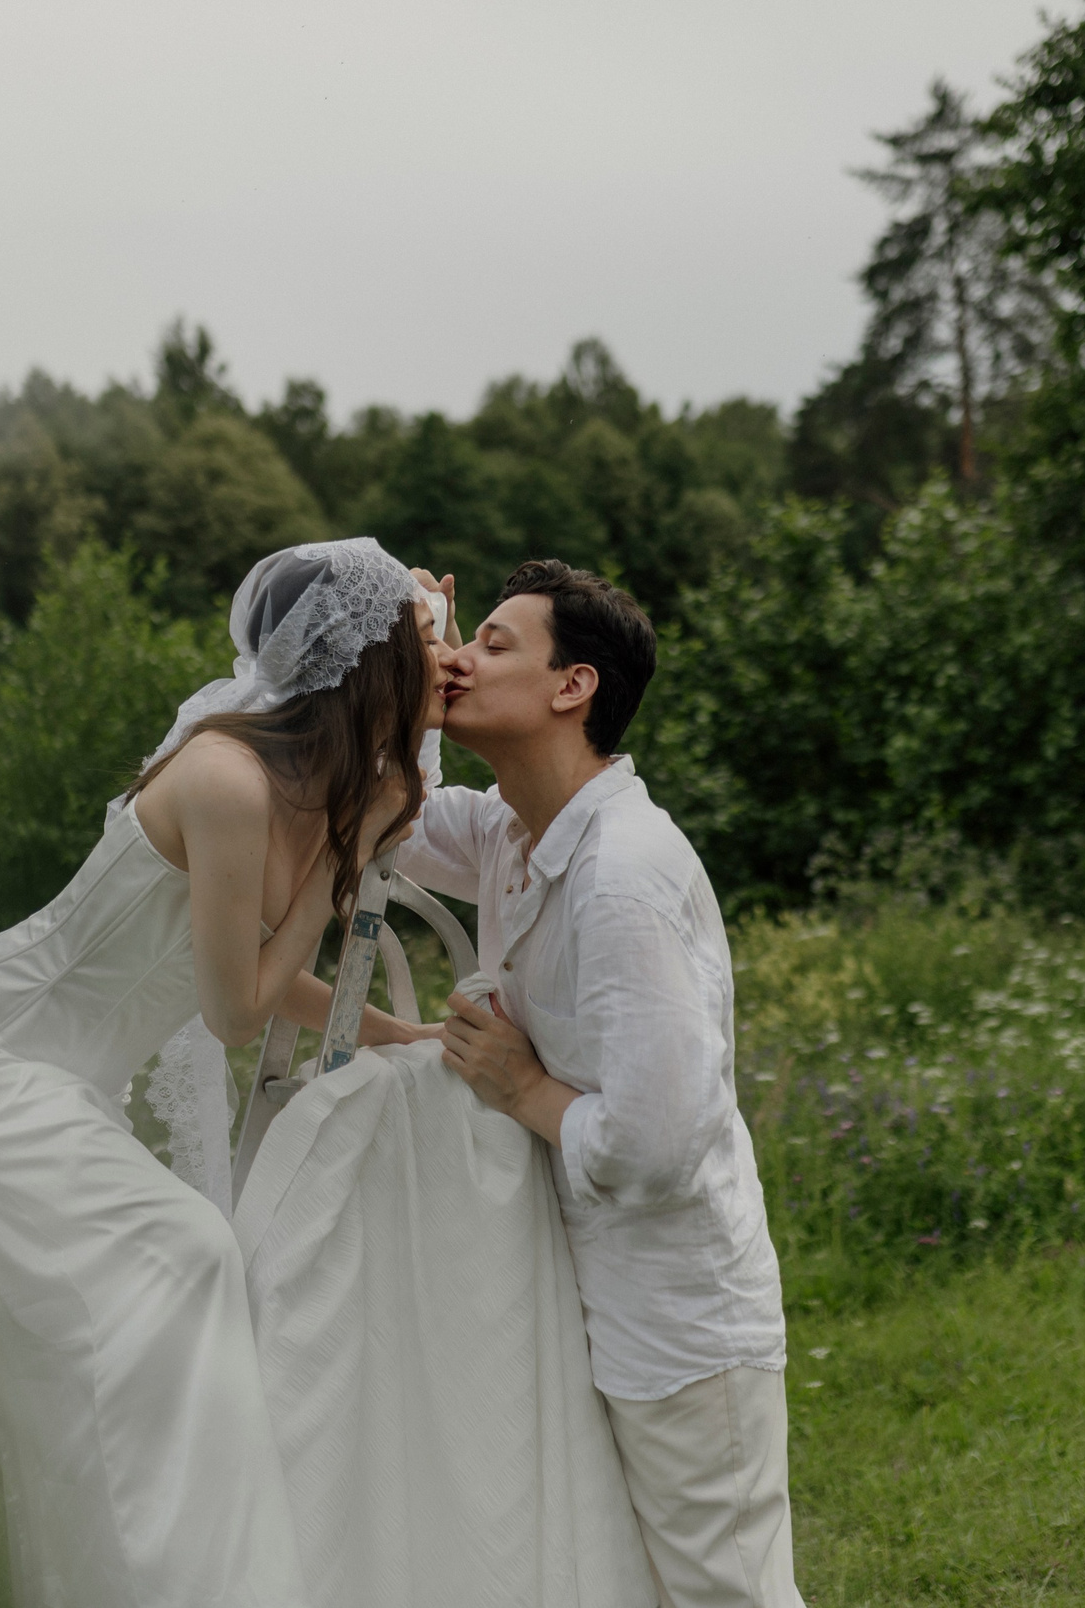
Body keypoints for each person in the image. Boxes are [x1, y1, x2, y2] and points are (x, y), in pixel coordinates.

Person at [0, 538, 448, 1608]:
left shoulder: (318, 783)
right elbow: (234, 1009)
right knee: (190, 1254)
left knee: (132, 1325)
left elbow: (246, 970)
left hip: (63, 1073)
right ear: (370, 661)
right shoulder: (229, 777)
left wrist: (394, 1034)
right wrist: (344, 856)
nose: (445, 664)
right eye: (425, 640)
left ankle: (166, 1566)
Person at [402, 560, 801, 1608]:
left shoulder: (622, 871)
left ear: (571, 686)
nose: (462, 659)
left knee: (725, 1594)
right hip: (597, 1302)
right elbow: (393, 821)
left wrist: (521, 1085)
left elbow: (660, 1142)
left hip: (680, 1319)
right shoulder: (510, 833)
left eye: (492, 643)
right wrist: (410, 651)